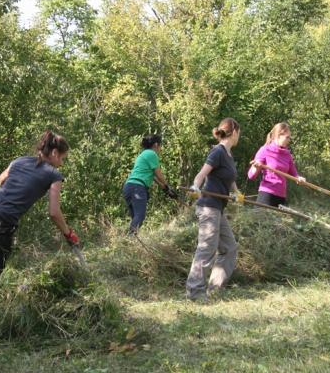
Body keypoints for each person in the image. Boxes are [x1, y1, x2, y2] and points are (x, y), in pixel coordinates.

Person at [0, 130, 79, 279]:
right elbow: (54, 212)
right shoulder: (54, 175)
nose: (61, 163)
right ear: (55, 153)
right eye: (62, 158)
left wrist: (15, 192)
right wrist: (68, 233)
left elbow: (0, 180)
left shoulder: (20, 160)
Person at [185, 118, 241, 302]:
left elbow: (229, 177)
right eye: (239, 132)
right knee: (207, 248)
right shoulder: (217, 152)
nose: (239, 136)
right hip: (208, 207)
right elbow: (202, 174)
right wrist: (195, 187)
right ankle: (194, 292)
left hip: (219, 208)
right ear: (234, 132)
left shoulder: (228, 155)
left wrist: (236, 192)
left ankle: (214, 289)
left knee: (229, 247)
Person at [122, 134, 179, 235]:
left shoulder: (143, 154)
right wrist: (168, 186)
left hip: (129, 187)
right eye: (160, 145)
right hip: (137, 188)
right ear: (156, 145)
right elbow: (159, 174)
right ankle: (128, 239)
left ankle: (131, 242)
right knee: (140, 216)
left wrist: (165, 189)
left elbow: (154, 177)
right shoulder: (151, 154)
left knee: (135, 217)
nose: (160, 148)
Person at [247, 122, 306, 208]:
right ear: (278, 135)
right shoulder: (265, 150)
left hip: (281, 197)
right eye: (287, 137)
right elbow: (251, 176)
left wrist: (299, 178)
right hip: (267, 194)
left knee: (277, 222)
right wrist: (256, 168)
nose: (289, 140)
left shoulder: (287, 154)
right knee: (260, 221)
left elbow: (294, 173)